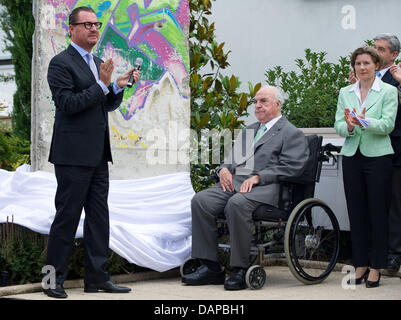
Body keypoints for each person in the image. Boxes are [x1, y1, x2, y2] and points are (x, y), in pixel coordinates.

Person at [44, 6, 140, 298]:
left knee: (99, 218)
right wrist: (102, 84)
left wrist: (117, 88)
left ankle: (97, 278)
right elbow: (68, 104)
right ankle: (52, 281)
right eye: (86, 25)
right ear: (71, 30)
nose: (93, 29)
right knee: (67, 217)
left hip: (98, 155)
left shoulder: (97, 62)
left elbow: (104, 105)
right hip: (72, 155)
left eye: (96, 24)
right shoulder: (60, 63)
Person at [182, 86, 309, 290]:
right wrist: (223, 170)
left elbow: (293, 167)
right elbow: (231, 160)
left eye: (263, 101)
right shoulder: (250, 130)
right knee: (201, 201)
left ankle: (239, 268)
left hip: (267, 189)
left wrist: (259, 177)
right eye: (256, 102)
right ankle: (211, 267)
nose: (258, 106)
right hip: (236, 184)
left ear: (278, 104)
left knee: (237, 203)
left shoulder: (291, 133)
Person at [336, 46, 398, 288]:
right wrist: (349, 126)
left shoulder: (388, 91)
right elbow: (339, 125)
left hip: (378, 157)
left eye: (367, 63)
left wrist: (362, 120)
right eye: (358, 64)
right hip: (352, 156)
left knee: (377, 213)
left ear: (376, 66)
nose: (362, 68)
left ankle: (376, 267)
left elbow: (387, 125)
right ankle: (360, 264)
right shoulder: (345, 92)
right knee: (356, 212)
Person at [350, 34, 401, 272]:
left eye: (381, 49)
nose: (376, 51)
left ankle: (392, 255)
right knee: (366, 205)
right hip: (362, 151)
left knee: (391, 206)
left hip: (393, 149)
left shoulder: (395, 80)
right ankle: (367, 256)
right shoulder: (359, 79)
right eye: (375, 47)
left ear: (393, 55)